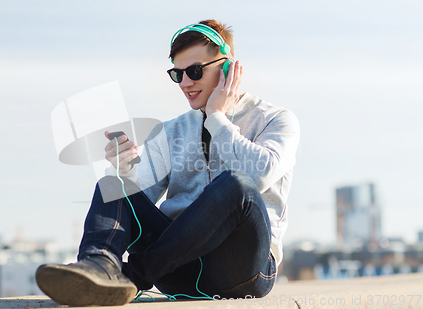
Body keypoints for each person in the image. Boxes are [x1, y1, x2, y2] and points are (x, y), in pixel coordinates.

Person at [35, 19, 300, 306]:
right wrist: (124, 170)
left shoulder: (276, 119)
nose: (185, 83)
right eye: (178, 74)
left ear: (228, 68)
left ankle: (131, 277)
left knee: (237, 184)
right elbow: (139, 204)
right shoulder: (169, 132)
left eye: (195, 71)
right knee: (114, 183)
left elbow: (259, 175)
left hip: (240, 272)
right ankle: (98, 267)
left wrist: (217, 118)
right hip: (177, 270)